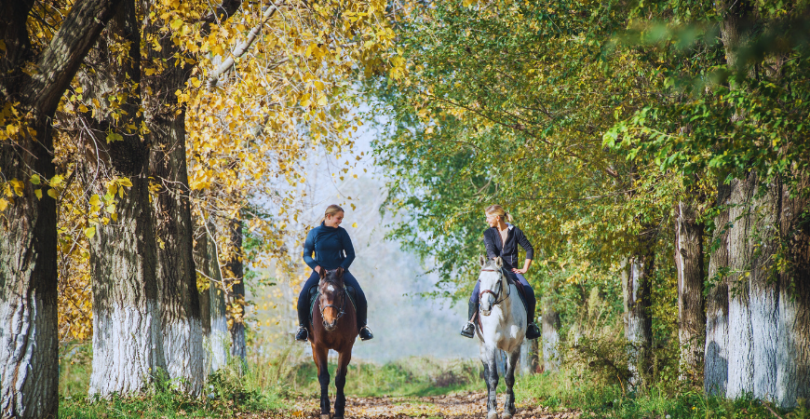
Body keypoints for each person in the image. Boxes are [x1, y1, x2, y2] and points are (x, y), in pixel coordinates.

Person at [460, 204, 541, 340]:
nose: (486, 220)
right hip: (494, 270)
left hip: (512, 271)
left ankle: (530, 325)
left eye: (488, 217)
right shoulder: (488, 233)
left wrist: (525, 268)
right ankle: (470, 324)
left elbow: (529, 249)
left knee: (529, 292)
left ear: (497, 218)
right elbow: (490, 250)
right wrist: (495, 259)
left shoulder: (515, 231)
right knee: (475, 294)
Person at [295, 205, 373, 342]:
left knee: (360, 295)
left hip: (339, 272)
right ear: (329, 216)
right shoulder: (313, 233)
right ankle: (303, 328)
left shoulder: (341, 233)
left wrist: (342, 267)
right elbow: (306, 255)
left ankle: (362, 328)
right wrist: (317, 268)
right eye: (338, 218)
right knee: (303, 296)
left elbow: (350, 254)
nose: (340, 221)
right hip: (321, 272)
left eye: (341, 219)